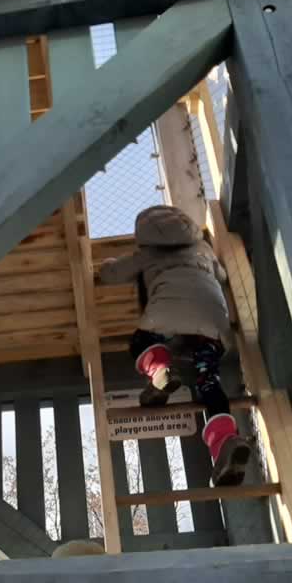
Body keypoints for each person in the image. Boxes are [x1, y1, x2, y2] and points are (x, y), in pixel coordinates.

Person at [98, 205, 250, 487]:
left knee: (143, 341)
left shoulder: (146, 254)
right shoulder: (202, 249)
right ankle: (225, 442)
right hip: (214, 320)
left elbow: (110, 274)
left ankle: (159, 370)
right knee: (209, 381)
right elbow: (224, 276)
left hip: (166, 314)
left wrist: (105, 265)